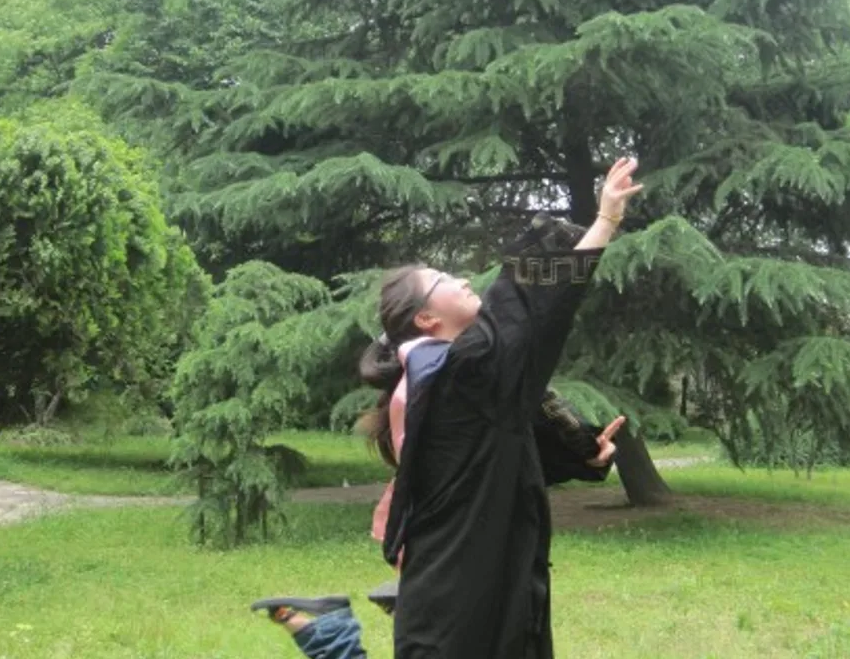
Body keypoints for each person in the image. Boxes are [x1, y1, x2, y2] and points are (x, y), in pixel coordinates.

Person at [253, 157, 642, 658]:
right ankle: (330, 633)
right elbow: (535, 309)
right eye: (442, 279)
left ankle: (329, 631)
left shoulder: (437, 377)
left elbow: (490, 459)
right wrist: (604, 221)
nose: (461, 279)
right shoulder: (459, 370)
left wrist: (580, 452)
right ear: (426, 318)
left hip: (467, 584)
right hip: (461, 596)